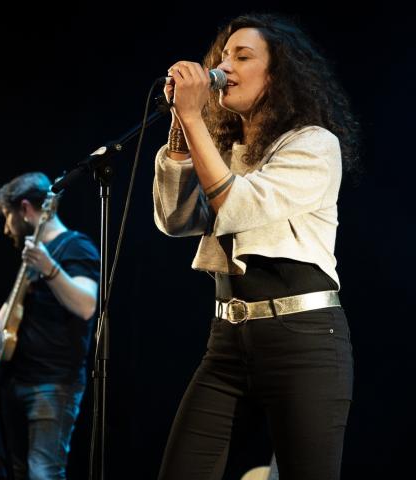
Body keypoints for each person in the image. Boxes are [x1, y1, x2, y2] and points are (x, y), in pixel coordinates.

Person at [153, 13, 359, 480]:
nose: (225, 66)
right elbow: (176, 219)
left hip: (303, 339)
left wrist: (192, 114)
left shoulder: (312, 144)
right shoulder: (226, 149)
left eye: (242, 56)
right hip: (228, 340)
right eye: (223, 56)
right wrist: (181, 129)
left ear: (279, 74)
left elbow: (235, 206)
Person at [0, 172, 100, 480]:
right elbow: (3, 320)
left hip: (52, 385)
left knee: (43, 473)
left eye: (6, 217)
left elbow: (86, 306)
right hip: (15, 382)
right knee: (18, 472)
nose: (6, 228)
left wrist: (50, 269)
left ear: (26, 209)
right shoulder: (32, 258)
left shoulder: (74, 247)